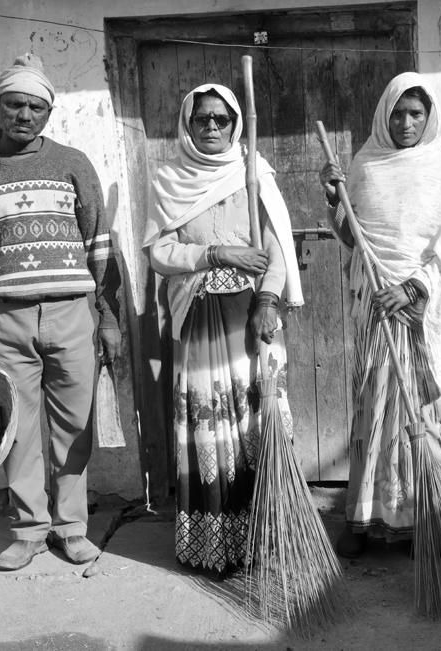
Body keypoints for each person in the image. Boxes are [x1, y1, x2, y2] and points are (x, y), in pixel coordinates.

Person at [0, 54, 121, 571]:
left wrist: (108, 318)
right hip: (6, 317)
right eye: (15, 104)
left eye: (36, 107)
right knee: (17, 428)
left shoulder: (73, 164)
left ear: (49, 113)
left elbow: (101, 247)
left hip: (71, 312)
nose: (25, 115)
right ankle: (28, 530)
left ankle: (71, 529)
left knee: (74, 425)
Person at [318, 72, 441, 558]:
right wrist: (336, 201)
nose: (407, 122)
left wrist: (414, 287)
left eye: (416, 113)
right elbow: (355, 240)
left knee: (423, 412)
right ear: (384, 114)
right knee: (374, 411)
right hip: (376, 308)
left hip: (422, 313)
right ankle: (365, 518)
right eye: (398, 112)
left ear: (430, 115)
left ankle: (424, 520)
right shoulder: (366, 165)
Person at [145, 83, 304, 580]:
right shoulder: (169, 179)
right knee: (211, 425)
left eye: (221, 119)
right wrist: (214, 254)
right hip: (199, 317)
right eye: (201, 119)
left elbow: (277, 248)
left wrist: (267, 300)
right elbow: (158, 252)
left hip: (251, 315)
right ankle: (217, 543)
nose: (211, 127)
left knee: (259, 422)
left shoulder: (254, 174)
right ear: (187, 125)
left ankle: (270, 534)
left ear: (236, 125)